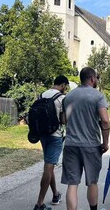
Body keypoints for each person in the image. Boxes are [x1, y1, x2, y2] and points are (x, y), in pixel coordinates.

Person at [61, 67, 110, 210]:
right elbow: (105, 121)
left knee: (72, 183)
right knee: (92, 182)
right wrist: (105, 142)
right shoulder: (98, 96)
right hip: (91, 145)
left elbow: (64, 120)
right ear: (92, 78)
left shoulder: (68, 97)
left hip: (71, 144)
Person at [33, 75, 69, 210]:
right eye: (66, 86)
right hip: (55, 135)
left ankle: (55, 194)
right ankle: (39, 203)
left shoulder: (42, 95)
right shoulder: (62, 98)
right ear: (63, 85)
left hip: (42, 134)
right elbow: (64, 120)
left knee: (49, 164)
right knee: (49, 167)